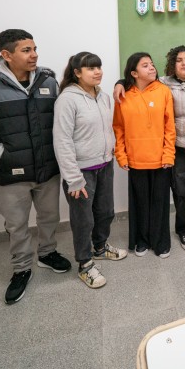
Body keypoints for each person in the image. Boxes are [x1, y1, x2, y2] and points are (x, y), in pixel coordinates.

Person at [0, 30, 71, 305]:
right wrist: (2, 157)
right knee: (16, 224)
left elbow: (60, 122)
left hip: (47, 169)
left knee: (49, 216)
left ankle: (47, 253)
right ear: (6, 55)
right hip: (12, 172)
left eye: (34, 49)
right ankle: (21, 269)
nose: (34, 55)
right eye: (26, 50)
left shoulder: (49, 81)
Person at [114, 46, 185, 251]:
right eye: (178, 60)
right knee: (182, 194)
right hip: (180, 150)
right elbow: (137, 81)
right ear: (172, 65)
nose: (184, 63)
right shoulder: (163, 83)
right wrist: (120, 82)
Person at [53, 51, 127, 289]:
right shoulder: (67, 99)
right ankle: (84, 264)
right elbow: (62, 140)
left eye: (99, 67)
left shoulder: (103, 96)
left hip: (104, 165)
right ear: (77, 73)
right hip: (81, 171)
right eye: (90, 68)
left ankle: (100, 248)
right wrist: (73, 179)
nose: (97, 72)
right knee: (83, 220)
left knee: (105, 212)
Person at [113, 52, 176, 258]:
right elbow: (118, 128)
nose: (152, 68)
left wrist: (168, 155)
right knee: (139, 203)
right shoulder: (123, 95)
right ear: (134, 72)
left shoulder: (163, 91)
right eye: (145, 65)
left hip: (160, 160)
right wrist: (121, 156)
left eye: (152, 64)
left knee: (159, 202)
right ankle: (141, 241)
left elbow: (170, 127)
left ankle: (160, 242)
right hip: (135, 159)